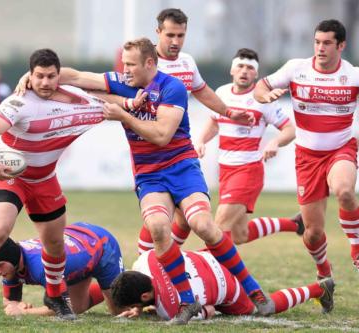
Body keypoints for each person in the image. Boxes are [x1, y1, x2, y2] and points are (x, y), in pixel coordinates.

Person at [48, 38, 273, 324]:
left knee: (202, 224)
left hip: (182, 168)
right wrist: (33, 77)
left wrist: (124, 115)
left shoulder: (172, 87)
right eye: (124, 64)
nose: (125, 70)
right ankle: (187, 302)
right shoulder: (121, 81)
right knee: (157, 228)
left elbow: (161, 135)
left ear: (150, 64)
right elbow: (75, 76)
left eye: (131, 65)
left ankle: (254, 290)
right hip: (149, 174)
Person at [0, 48, 106, 321]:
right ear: (30, 75)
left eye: (50, 76)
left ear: (58, 76)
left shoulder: (76, 99)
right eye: (39, 76)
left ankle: (56, 296)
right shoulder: (19, 101)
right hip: (11, 176)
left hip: (45, 181)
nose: (44, 82)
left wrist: (132, 104)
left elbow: (106, 92)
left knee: (54, 243)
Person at [254, 19, 359, 282]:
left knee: (345, 191)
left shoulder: (356, 75)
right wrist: (264, 96)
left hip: (340, 149)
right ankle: (324, 272)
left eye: (327, 43)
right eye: (317, 42)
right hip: (306, 157)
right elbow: (261, 86)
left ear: (341, 45)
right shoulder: (296, 68)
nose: (320, 48)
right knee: (313, 233)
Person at [137, 8, 256, 254]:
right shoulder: (144, 64)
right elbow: (113, 87)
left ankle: (162, 262)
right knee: (160, 216)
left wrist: (229, 112)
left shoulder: (186, 62)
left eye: (181, 35)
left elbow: (201, 90)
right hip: (151, 155)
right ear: (157, 32)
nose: (175, 41)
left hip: (180, 152)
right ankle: (146, 264)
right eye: (170, 35)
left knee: (185, 219)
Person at [195, 48, 303, 245]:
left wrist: (275, 142)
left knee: (218, 227)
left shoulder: (263, 99)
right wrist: (202, 140)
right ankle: (295, 224)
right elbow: (214, 121)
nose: (244, 71)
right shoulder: (222, 93)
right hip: (226, 170)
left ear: (256, 74)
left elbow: (290, 129)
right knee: (240, 234)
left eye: (250, 68)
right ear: (232, 70)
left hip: (247, 171)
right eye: (241, 66)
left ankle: (219, 273)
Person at [110, 249, 335, 321]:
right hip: (213, 257)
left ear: (145, 296)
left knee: (261, 308)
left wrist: (148, 311)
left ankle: (318, 289)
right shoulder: (145, 260)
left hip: (227, 286)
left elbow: (208, 310)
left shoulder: (171, 310)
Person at [0, 222, 124, 316]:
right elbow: (9, 300)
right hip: (78, 247)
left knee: (119, 311)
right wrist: (14, 305)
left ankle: (132, 277)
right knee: (79, 306)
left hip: (101, 244)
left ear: (12, 257)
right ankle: (108, 287)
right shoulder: (11, 264)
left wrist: (24, 312)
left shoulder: (41, 267)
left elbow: (64, 308)